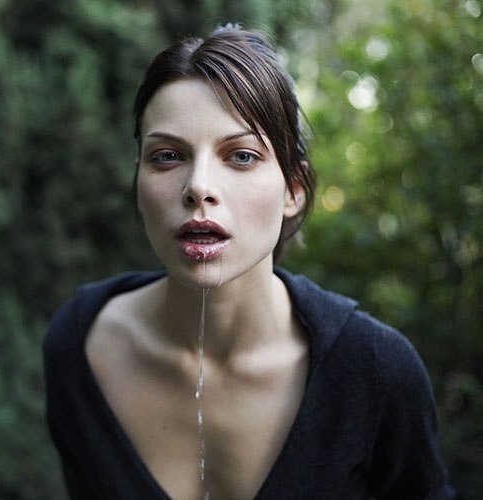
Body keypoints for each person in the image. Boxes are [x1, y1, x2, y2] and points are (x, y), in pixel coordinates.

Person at [43, 24, 454, 500]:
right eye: (167, 156)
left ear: (293, 190)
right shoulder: (80, 345)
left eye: (240, 156)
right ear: (138, 183)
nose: (199, 186)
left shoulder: (377, 372)